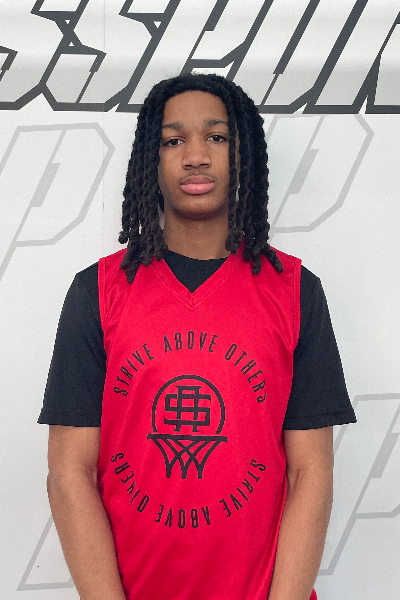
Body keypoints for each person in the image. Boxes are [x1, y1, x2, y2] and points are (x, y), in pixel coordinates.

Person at [38, 73, 356, 600]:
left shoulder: (296, 290)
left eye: (216, 136)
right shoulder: (97, 291)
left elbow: (311, 474)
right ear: (151, 159)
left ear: (243, 155)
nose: (195, 156)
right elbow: (70, 472)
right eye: (173, 140)